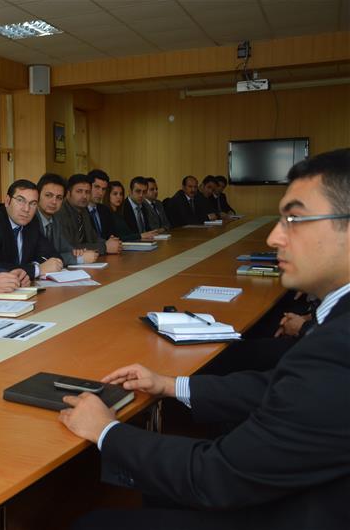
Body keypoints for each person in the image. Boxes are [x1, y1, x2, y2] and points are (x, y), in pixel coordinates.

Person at [60, 148, 350, 529]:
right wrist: (170, 384)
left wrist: (107, 431)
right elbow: (274, 388)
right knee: (155, 489)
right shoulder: (336, 331)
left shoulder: (338, 347)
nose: (275, 236)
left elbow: (217, 475)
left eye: (294, 219)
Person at [0, 179, 63, 279]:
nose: (26, 209)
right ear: (7, 201)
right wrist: (37, 269)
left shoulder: (32, 221)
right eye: (20, 200)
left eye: (33, 203)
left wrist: (37, 265)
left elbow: (53, 256)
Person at [36, 173, 98, 266]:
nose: (54, 201)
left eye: (59, 197)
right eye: (48, 195)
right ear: (37, 195)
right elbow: (43, 258)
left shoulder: (55, 220)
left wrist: (79, 253)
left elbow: (68, 249)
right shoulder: (31, 220)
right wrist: (79, 259)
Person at [55, 173, 122, 254]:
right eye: (79, 191)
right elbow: (70, 247)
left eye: (87, 192)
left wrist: (111, 243)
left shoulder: (83, 211)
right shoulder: (60, 213)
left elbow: (94, 238)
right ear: (68, 193)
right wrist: (105, 247)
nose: (84, 196)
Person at [88, 169, 119, 240]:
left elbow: (113, 235)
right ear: (88, 186)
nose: (100, 193)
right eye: (97, 187)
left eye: (103, 189)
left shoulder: (105, 210)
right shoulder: (80, 211)